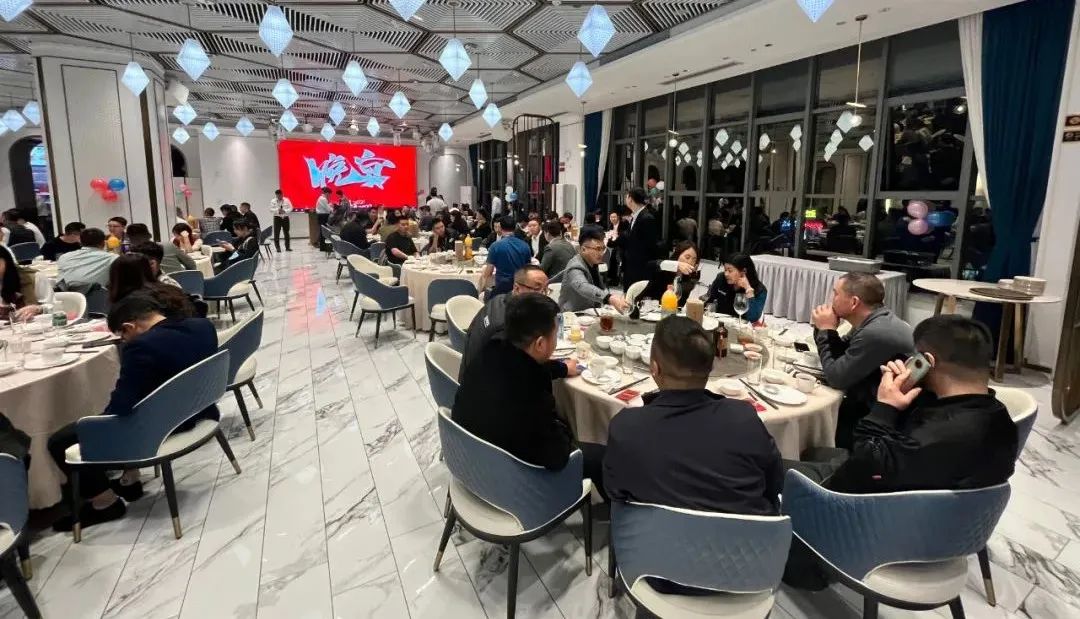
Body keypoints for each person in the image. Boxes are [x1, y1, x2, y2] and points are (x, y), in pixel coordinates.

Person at [783, 316, 1016, 591]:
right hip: (939, 528)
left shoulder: (934, 438)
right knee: (815, 452)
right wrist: (906, 390)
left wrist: (886, 406)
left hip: (868, 527)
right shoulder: (1000, 421)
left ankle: (787, 556)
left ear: (928, 360)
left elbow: (863, 464)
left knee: (767, 465)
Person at [47, 290, 218, 532]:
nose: (124, 341)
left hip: (167, 424)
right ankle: (129, 479)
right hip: (202, 409)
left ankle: (104, 503)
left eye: (122, 336)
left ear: (129, 327)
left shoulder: (141, 347)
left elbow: (121, 406)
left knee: (62, 439)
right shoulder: (202, 326)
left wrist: (99, 422)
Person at [605, 316, 782, 513]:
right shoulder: (744, 419)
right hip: (747, 532)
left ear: (654, 368)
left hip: (649, 532)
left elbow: (615, 490)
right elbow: (774, 484)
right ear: (711, 367)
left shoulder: (626, 427)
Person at [453, 293, 606, 491]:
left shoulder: (492, 348)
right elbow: (556, 456)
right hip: (514, 480)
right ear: (540, 343)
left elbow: (524, 367)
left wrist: (561, 368)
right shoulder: (531, 395)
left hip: (468, 457)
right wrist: (567, 431)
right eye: (555, 335)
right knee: (603, 456)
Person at [811, 272, 915, 449]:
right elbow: (842, 353)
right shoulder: (873, 320)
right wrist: (824, 329)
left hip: (885, 420)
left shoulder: (877, 332)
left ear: (854, 302)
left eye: (836, 294)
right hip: (870, 397)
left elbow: (836, 377)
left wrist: (826, 329)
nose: (831, 299)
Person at [461, 265, 551, 375]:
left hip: (474, 372)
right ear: (517, 288)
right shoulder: (508, 326)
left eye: (545, 290)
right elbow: (521, 369)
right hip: (484, 381)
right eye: (537, 289)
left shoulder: (499, 299)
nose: (544, 296)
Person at [559, 228, 630, 313]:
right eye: (598, 249)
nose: (601, 253)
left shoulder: (593, 264)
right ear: (583, 249)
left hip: (591, 312)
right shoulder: (575, 266)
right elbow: (583, 286)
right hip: (573, 315)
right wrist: (609, 298)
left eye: (603, 249)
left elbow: (600, 289)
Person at [702, 253, 768, 322]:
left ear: (744, 271)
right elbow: (709, 299)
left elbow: (753, 318)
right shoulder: (721, 278)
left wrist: (748, 289)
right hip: (720, 322)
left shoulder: (760, 289)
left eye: (730, 271)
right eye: (725, 270)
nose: (726, 274)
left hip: (743, 325)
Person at [620, 188, 662, 291]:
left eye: (626, 197)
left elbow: (650, 246)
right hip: (631, 266)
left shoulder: (647, 218)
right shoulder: (635, 216)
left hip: (640, 269)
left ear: (630, 199)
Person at [481, 216, 533, 298]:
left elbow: (488, 273)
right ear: (515, 228)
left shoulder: (495, 246)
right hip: (520, 287)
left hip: (501, 288)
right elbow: (528, 269)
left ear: (501, 228)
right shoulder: (525, 245)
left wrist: (482, 289)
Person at [642, 241, 700, 307]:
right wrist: (676, 265)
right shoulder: (664, 270)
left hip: (669, 311)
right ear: (677, 255)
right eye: (687, 257)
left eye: (694, 259)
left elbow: (680, 304)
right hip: (646, 307)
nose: (690, 262)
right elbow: (649, 265)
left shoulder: (687, 280)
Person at [0, 245, 41, 321]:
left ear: (7, 261)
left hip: (34, 325)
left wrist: (38, 309)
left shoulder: (34, 278)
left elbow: (56, 307)